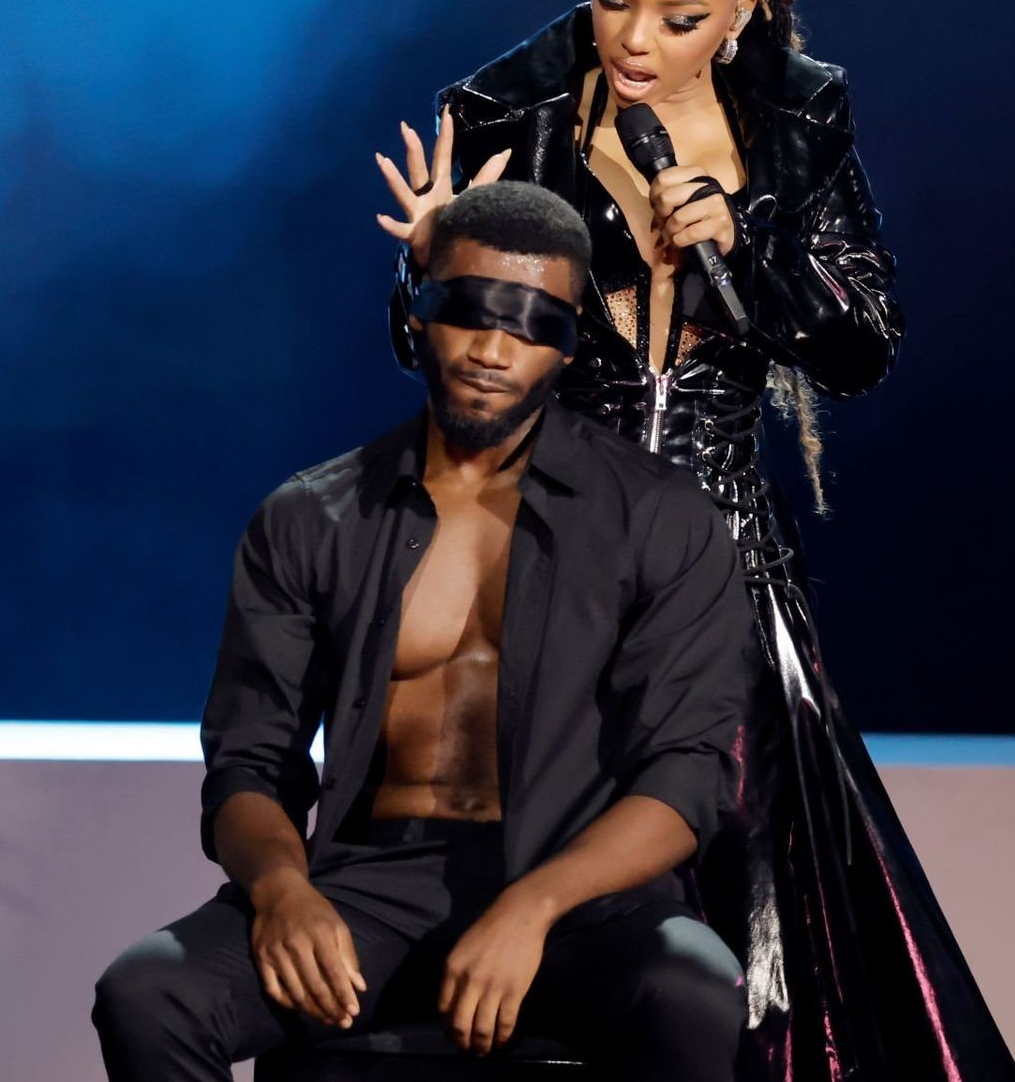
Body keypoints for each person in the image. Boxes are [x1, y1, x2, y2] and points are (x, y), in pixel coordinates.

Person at [374, 0, 1015, 1082]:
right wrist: (438, 269)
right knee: (542, 950)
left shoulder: (795, 135)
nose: (631, 37)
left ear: (743, 15)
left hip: (726, 591)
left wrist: (749, 262)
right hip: (542, 584)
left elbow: (863, 346)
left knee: (761, 954)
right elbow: (439, 362)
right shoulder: (519, 125)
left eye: (676, 19)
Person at [93, 181, 756, 1081]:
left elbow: (685, 778)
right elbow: (251, 763)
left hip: (584, 903)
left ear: (569, 343)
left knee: (694, 989)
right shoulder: (312, 516)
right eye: (469, 311)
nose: (492, 349)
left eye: (532, 325)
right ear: (419, 312)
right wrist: (282, 891)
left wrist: (534, 905)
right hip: (369, 891)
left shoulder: (659, 517)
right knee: (149, 993)